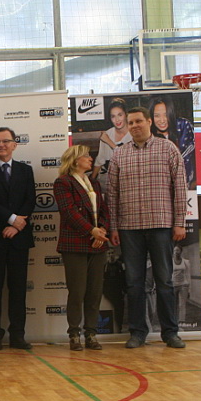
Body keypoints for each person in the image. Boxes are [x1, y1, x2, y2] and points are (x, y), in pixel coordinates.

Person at [107, 106, 187, 349]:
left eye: (138, 121)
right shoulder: (119, 154)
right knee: (134, 283)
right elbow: (112, 193)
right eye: (130, 123)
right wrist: (114, 227)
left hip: (161, 226)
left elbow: (180, 188)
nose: (134, 126)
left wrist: (180, 222)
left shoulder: (168, 149)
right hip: (129, 228)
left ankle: (170, 333)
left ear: (149, 122)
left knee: (164, 282)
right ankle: (137, 332)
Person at [0, 127, 35, 351]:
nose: (1, 145)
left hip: (19, 239)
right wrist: (11, 219)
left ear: (14, 144)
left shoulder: (25, 170)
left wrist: (17, 226)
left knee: (18, 289)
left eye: (5, 141)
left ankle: (18, 335)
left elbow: (30, 199)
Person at [53, 145, 111, 351]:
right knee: (77, 292)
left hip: (98, 244)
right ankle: (74, 334)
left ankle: (91, 334)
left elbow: (104, 210)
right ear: (76, 160)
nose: (90, 159)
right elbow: (69, 212)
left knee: (94, 292)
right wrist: (91, 231)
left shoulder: (93, 182)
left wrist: (101, 230)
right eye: (86, 156)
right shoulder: (63, 182)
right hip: (75, 244)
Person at [149, 95, 196, 189]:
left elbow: (192, 156)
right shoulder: (148, 136)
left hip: (186, 186)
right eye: (157, 116)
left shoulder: (183, 126)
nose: (162, 120)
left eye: (166, 114)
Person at [91, 98, 131, 191]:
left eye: (120, 115)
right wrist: (91, 181)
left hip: (129, 179)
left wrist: (109, 142)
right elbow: (100, 160)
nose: (117, 120)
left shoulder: (134, 134)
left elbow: (125, 159)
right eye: (113, 116)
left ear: (126, 115)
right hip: (108, 179)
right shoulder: (107, 134)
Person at [172, 245, 191, 323]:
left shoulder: (186, 262)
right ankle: (173, 319)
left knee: (182, 304)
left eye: (177, 250)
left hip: (183, 285)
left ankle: (181, 320)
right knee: (173, 304)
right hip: (173, 285)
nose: (176, 252)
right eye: (175, 250)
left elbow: (188, 274)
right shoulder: (170, 262)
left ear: (181, 251)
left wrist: (189, 289)